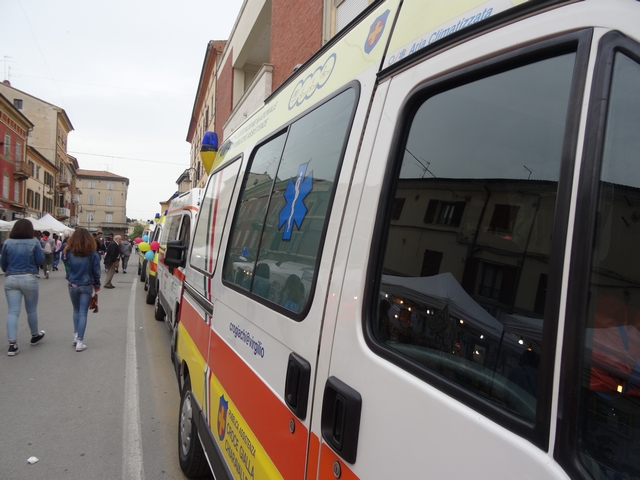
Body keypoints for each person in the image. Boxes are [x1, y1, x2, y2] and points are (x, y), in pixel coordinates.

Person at [0, 219, 46, 356]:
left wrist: (8, 270)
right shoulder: (34, 242)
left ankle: (12, 344)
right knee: (31, 310)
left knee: (13, 312)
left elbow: (3, 262)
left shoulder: (7, 242)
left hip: (11, 278)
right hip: (29, 277)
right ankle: (34, 335)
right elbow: (41, 260)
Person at [64, 228, 101, 352]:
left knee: (76, 310)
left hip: (73, 284)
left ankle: (75, 335)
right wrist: (97, 284)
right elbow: (96, 270)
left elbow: (67, 267)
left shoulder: (69, 251)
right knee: (83, 313)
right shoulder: (92, 253)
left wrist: (69, 277)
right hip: (86, 284)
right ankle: (80, 341)